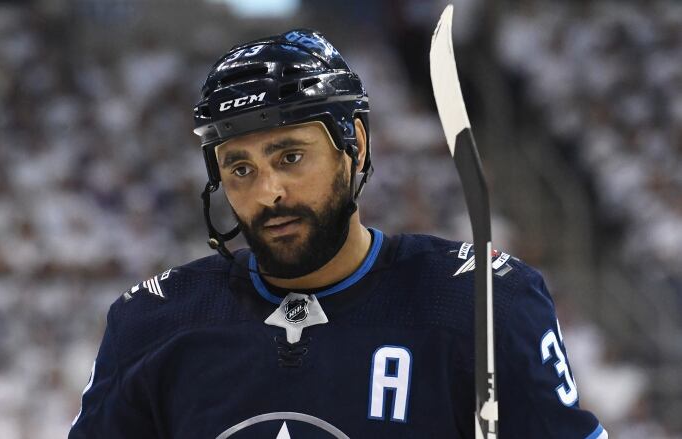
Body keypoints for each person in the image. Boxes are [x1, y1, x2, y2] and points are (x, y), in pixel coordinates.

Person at [69, 29, 607, 438]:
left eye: (290, 156)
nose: (268, 192)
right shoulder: (151, 323)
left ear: (356, 147)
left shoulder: (484, 304)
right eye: (240, 168)